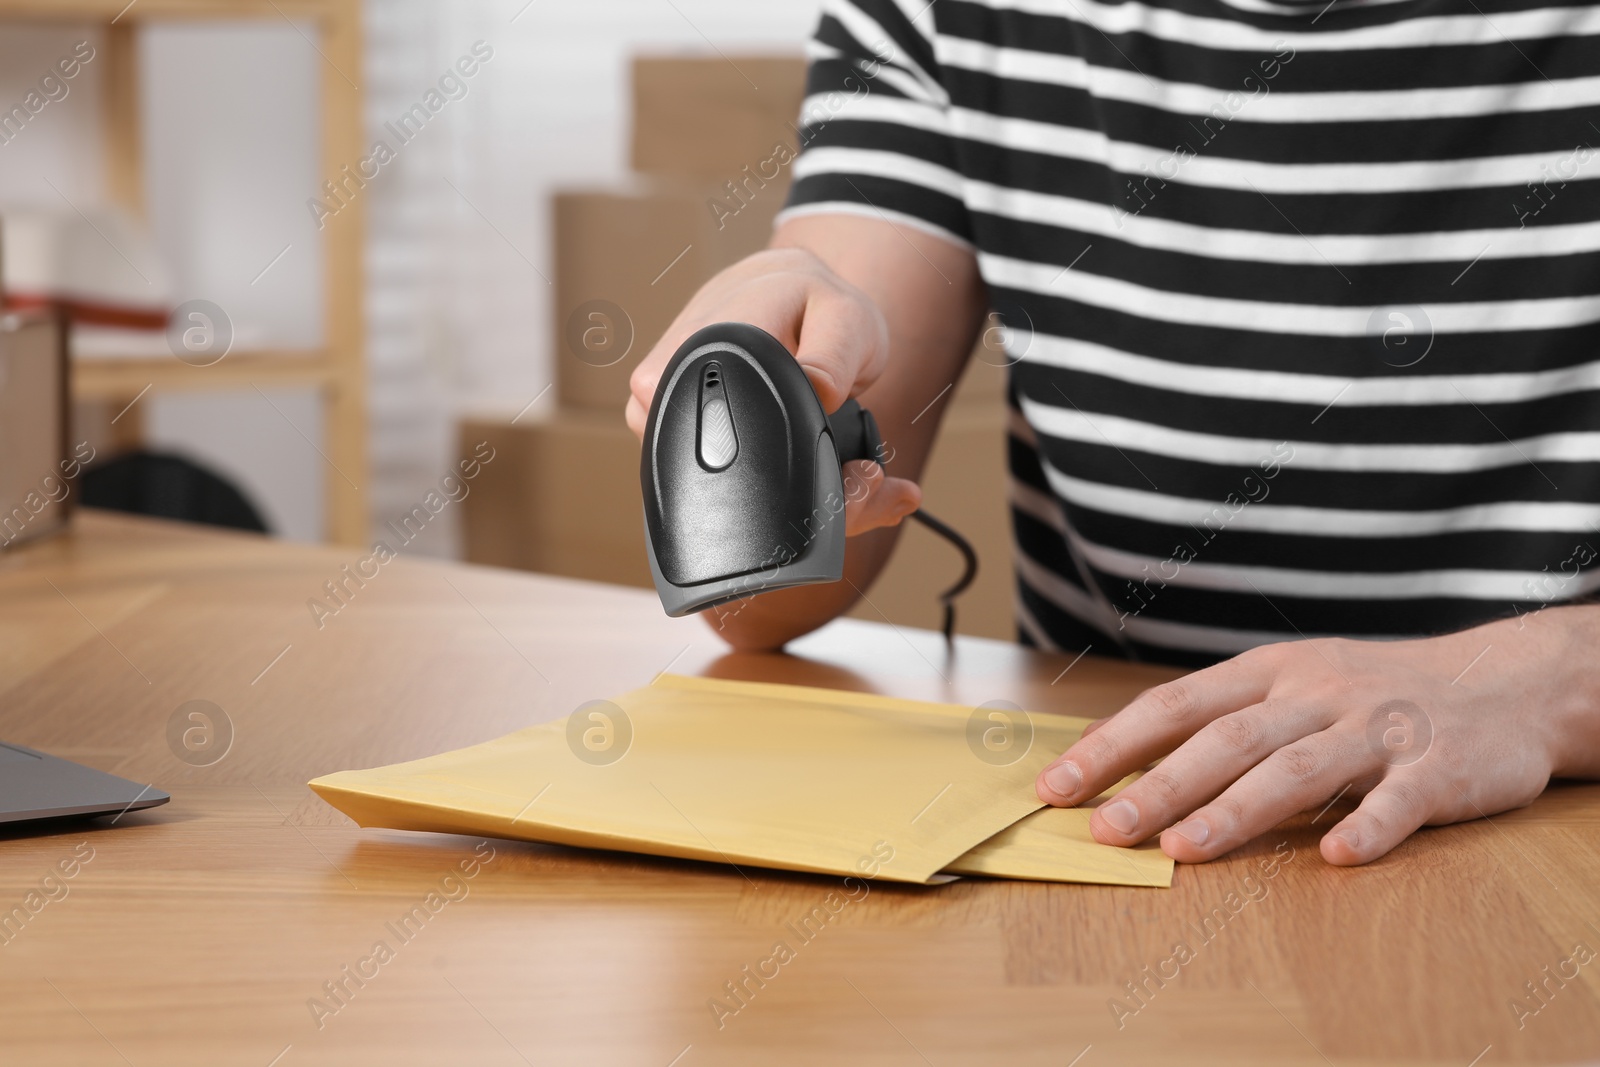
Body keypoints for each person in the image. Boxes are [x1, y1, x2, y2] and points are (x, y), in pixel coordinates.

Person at [626, 0, 1600, 868]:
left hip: (1547, 837)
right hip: (1116, 837)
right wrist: (772, 385)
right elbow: (762, 608)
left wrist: (1538, 687)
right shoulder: (948, 16)